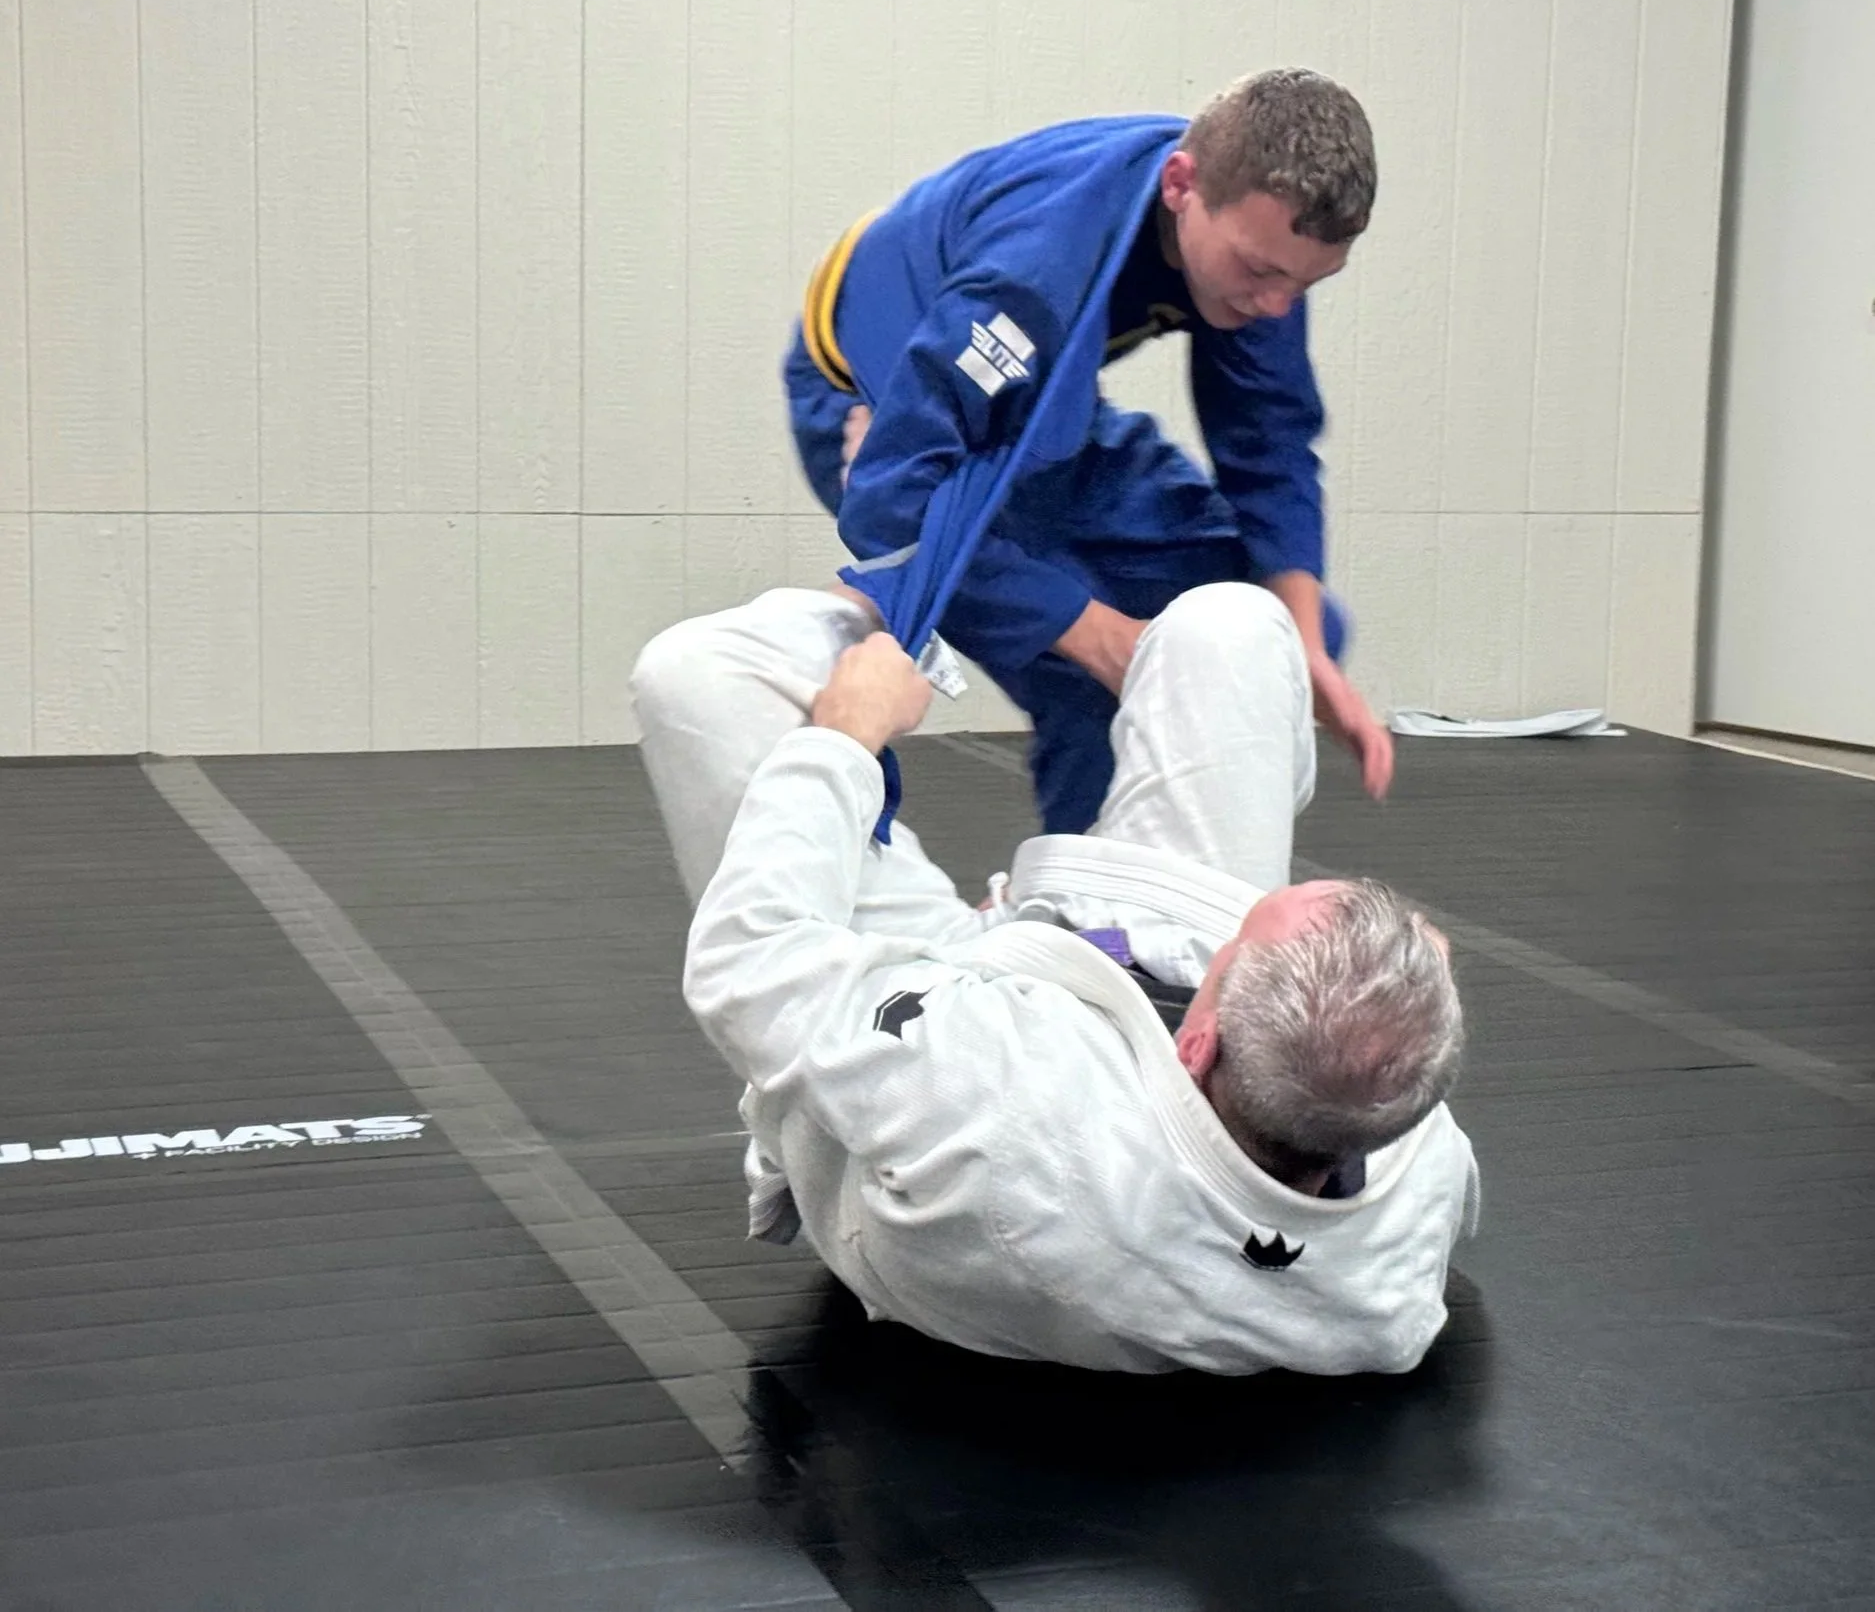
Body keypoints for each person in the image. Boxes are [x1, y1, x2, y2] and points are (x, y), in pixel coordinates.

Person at [632, 580, 1479, 1377]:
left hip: (959, 1005)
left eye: (1236, 941)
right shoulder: (1402, 1178)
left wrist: (845, 739)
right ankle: (1094, 693)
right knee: (1230, 626)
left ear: (1196, 1036)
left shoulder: (995, 1098)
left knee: (695, 674)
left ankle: (872, 631)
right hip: (1111, 981)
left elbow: (751, 965)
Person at [782, 67, 1394, 837]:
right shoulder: (1038, 269)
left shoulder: (1259, 239)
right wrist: (1104, 637)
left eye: (1305, 285)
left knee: (1264, 633)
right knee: (1094, 676)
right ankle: (1081, 916)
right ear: (1180, 184)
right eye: (1261, 273)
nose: (1275, 305)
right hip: (884, 398)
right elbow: (892, 498)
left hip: (1043, 404)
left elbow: (1268, 438)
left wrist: (1303, 645)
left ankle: (1128, 888)